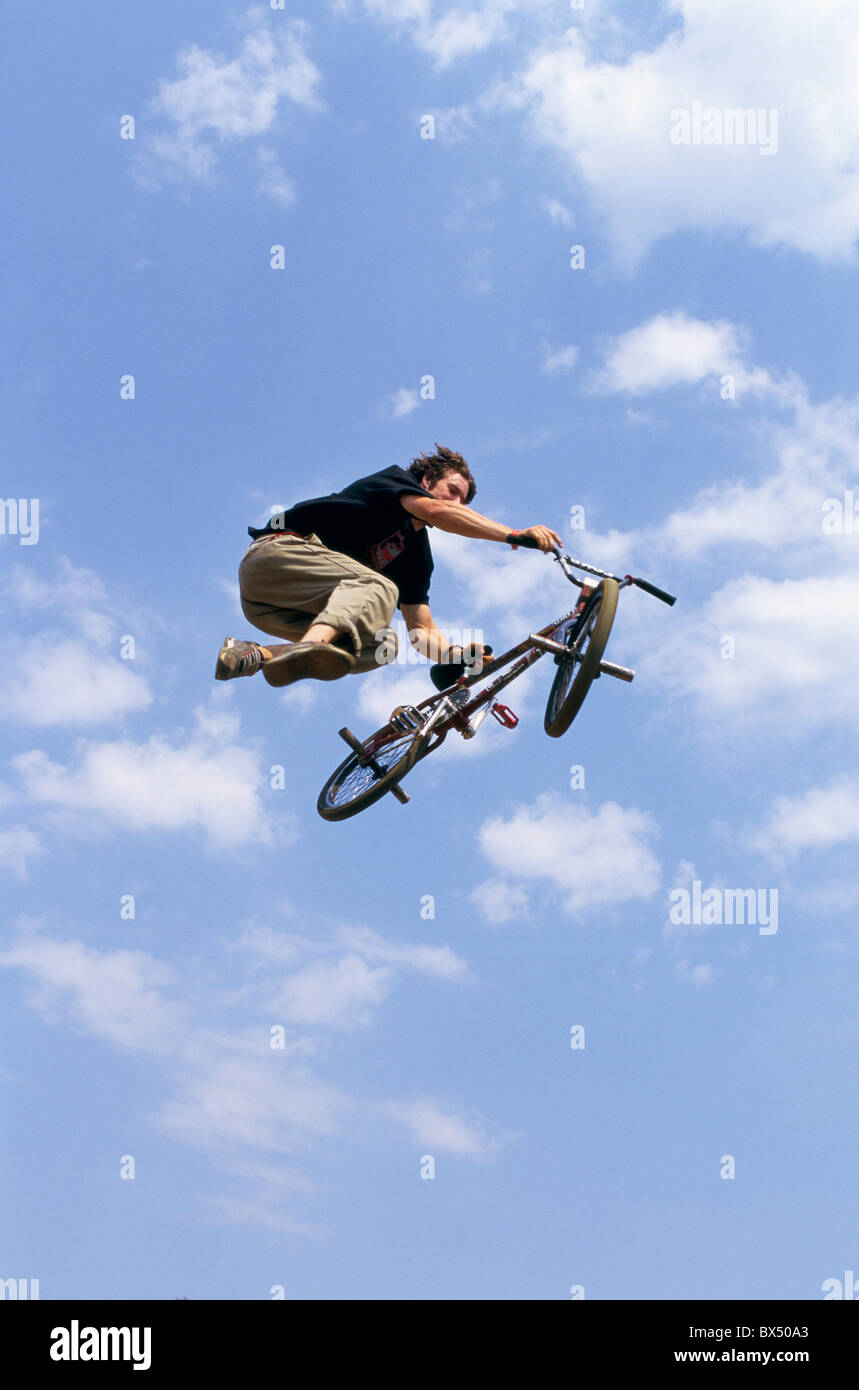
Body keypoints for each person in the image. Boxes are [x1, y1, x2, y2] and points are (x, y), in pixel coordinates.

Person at [215, 445, 563, 687]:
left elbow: (421, 632)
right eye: (452, 490)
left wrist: (456, 655)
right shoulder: (395, 484)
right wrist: (515, 535)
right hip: (275, 557)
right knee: (380, 588)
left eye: (462, 499)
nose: (456, 502)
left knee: (383, 646)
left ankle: (256, 655)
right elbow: (437, 512)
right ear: (427, 480)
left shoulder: (417, 559)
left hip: (268, 609)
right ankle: (313, 644)